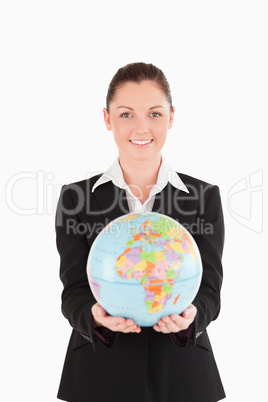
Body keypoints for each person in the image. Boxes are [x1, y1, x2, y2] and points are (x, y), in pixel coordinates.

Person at [55, 62, 226, 402]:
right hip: (98, 373)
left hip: (183, 375)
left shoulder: (205, 197)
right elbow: (73, 290)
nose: (142, 126)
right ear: (107, 119)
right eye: (126, 114)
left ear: (172, 117)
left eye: (155, 114)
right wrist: (94, 317)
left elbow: (209, 291)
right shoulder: (75, 199)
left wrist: (192, 317)